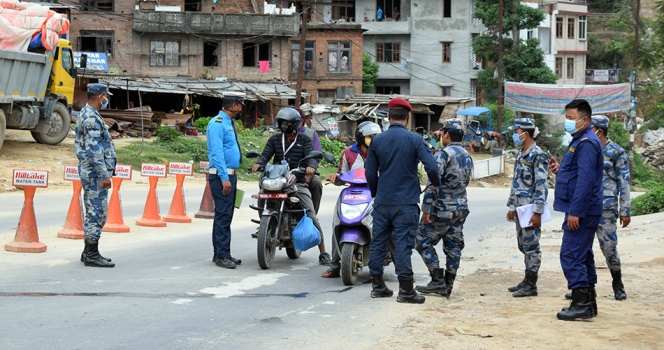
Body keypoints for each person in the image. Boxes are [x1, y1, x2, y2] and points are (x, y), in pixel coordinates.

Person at [365, 97, 441, 304]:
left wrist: (375, 193)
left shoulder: (377, 140)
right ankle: (406, 291)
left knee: (379, 242)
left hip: (383, 201)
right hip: (406, 202)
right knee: (402, 244)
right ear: (407, 118)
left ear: (388, 117)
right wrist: (435, 183)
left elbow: (370, 172)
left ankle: (378, 286)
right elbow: (432, 167)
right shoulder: (415, 140)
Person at [251, 108, 332, 265]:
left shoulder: (304, 139)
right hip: (278, 180)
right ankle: (265, 225)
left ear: (295, 124)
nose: (285, 126)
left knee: (311, 214)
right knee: (262, 194)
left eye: (288, 123)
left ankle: (323, 252)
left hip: (297, 181)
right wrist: (258, 163)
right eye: (282, 123)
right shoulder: (275, 139)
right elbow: (266, 155)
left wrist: (310, 167)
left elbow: (311, 156)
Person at [562, 115, 630, 301]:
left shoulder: (617, 152)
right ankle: (583, 288)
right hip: (585, 207)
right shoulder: (582, 148)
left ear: (598, 131)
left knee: (608, 248)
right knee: (582, 249)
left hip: (606, 209)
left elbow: (624, 182)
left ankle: (617, 282)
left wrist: (625, 210)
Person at [549, 99, 604, 321]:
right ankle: (589, 302)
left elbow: (586, 180)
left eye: (571, 118)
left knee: (570, 254)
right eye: (567, 117)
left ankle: (581, 304)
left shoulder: (588, 143)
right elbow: (577, 174)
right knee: (583, 255)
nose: (568, 122)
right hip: (581, 208)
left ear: (585, 120)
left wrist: (576, 212)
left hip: (582, 211)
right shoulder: (580, 140)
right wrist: (560, 170)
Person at [415, 119, 473, 298]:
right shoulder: (466, 154)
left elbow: (433, 183)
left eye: (442, 133)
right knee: (453, 245)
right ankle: (448, 284)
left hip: (442, 208)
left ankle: (437, 281)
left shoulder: (444, 154)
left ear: (446, 134)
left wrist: (426, 209)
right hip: (460, 207)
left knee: (422, 240)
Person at [321, 121, 382, 278]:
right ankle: (335, 265)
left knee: (387, 223)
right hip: (352, 192)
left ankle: (400, 266)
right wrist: (335, 178)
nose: (373, 139)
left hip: (374, 192)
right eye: (370, 136)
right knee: (337, 222)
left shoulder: (382, 152)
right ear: (361, 137)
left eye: (376, 136)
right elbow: (342, 175)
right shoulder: (348, 153)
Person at [505, 118, 549, 298]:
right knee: (523, 245)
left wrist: (538, 211)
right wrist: (511, 206)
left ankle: (532, 284)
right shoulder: (520, 153)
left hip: (530, 208)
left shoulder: (537, 155)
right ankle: (526, 279)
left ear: (526, 133)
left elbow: (541, 185)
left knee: (532, 246)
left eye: (516, 131)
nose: (515, 135)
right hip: (519, 208)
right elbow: (516, 183)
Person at [75, 83, 116, 268]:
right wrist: (104, 175)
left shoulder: (88, 113)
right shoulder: (91, 118)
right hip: (94, 174)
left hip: (91, 173)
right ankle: (91, 254)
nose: (107, 99)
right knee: (96, 212)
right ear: (100, 96)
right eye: (106, 96)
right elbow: (94, 150)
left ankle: (88, 252)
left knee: (94, 210)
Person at [207, 92, 245, 269]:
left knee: (225, 215)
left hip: (230, 175)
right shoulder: (217, 123)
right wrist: (224, 178)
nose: (242, 107)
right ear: (234, 105)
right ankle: (221, 256)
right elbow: (217, 153)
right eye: (240, 104)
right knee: (223, 216)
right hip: (222, 176)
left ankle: (222, 253)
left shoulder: (228, 123)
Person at [295, 108, 323, 215]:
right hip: (285, 172)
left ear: (302, 120)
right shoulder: (282, 135)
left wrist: (311, 167)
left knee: (316, 183)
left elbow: (316, 155)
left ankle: (312, 216)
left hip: (305, 170)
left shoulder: (310, 134)